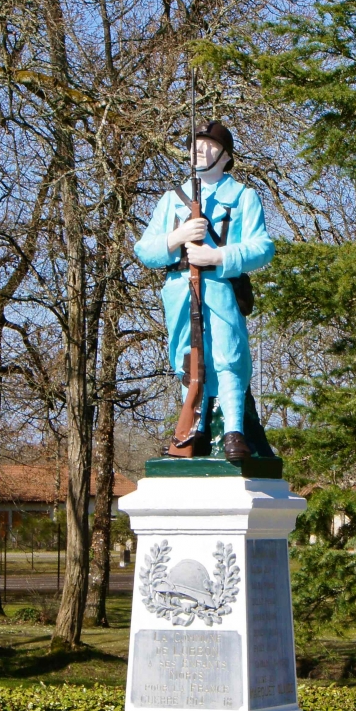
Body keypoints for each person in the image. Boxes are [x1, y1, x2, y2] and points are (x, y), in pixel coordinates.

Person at [134, 119, 274, 461]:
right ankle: (193, 428)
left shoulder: (242, 197)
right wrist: (177, 237)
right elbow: (145, 251)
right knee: (187, 358)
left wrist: (218, 255)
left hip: (220, 286)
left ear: (226, 157)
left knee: (228, 356)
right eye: (196, 142)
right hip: (179, 289)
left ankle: (234, 432)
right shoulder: (172, 199)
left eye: (209, 145)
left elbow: (262, 248)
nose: (200, 148)